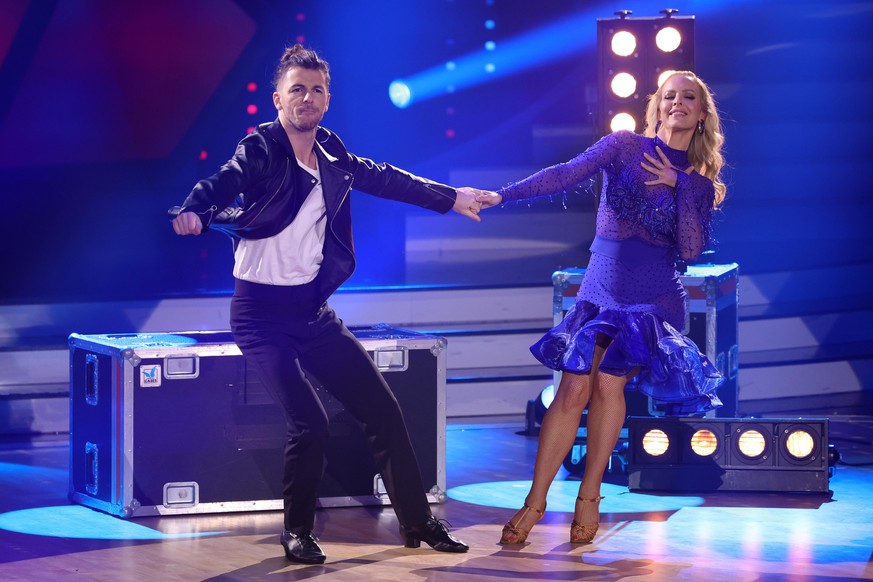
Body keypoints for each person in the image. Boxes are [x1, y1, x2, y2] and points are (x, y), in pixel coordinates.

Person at [170, 45, 476, 564]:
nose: (306, 98)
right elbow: (225, 180)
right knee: (309, 420)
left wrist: (450, 197)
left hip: (311, 314)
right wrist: (192, 208)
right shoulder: (261, 148)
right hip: (260, 318)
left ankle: (419, 522)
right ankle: (296, 532)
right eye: (296, 90)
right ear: (277, 98)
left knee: (383, 408)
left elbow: (386, 177)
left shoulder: (333, 153)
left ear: (327, 99)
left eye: (315, 90)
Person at [465, 71, 726, 545]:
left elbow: (689, 250)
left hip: (653, 297)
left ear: (702, 112)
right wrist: (504, 194)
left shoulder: (700, 185)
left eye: (689, 97)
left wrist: (681, 184)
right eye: (670, 95)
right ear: (658, 105)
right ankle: (535, 501)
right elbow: (564, 173)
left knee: (608, 387)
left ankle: (589, 498)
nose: (678, 103)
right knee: (572, 390)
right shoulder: (623, 145)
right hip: (602, 286)